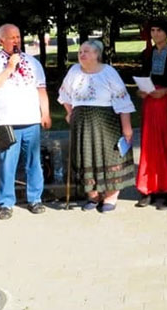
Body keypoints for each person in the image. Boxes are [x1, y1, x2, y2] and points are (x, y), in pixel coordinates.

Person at [0, 24, 51, 220]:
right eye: (11, 37)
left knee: (33, 162)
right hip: (6, 122)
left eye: (18, 37)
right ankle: (5, 203)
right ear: (1, 40)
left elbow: (41, 89)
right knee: (7, 164)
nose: (16, 41)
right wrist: (9, 68)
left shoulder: (33, 62)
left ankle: (35, 199)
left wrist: (45, 113)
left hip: (31, 120)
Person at [58, 40, 136, 212]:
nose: (81, 55)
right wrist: (70, 111)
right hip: (82, 124)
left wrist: (127, 128)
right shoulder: (74, 71)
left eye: (86, 51)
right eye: (80, 52)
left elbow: (123, 101)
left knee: (109, 157)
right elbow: (64, 95)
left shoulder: (108, 72)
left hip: (105, 122)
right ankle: (93, 196)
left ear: (96, 54)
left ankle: (110, 196)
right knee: (85, 157)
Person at [135, 18, 167, 210]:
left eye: (159, 30)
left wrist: (165, 91)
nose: (155, 34)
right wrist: (141, 91)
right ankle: (149, 189)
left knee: (166, 144)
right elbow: (143, 78)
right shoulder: (146, 54)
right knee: (149, 146)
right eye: (153, 30)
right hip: (150, 103)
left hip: (166, 102)